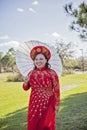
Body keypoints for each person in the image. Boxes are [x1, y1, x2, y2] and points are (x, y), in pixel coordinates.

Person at [23, 45, 60, 130]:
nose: (38, 61)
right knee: (34, 123)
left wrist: (57, 103)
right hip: (34, 102)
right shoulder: (31, 73)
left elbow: (57, 89)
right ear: (34, 61)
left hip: (49, 101)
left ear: (46, 60)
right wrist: (25, 82)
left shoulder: (52, 73)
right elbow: (25, 88)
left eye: (41, 59)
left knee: (46, 124)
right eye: (36, 59)